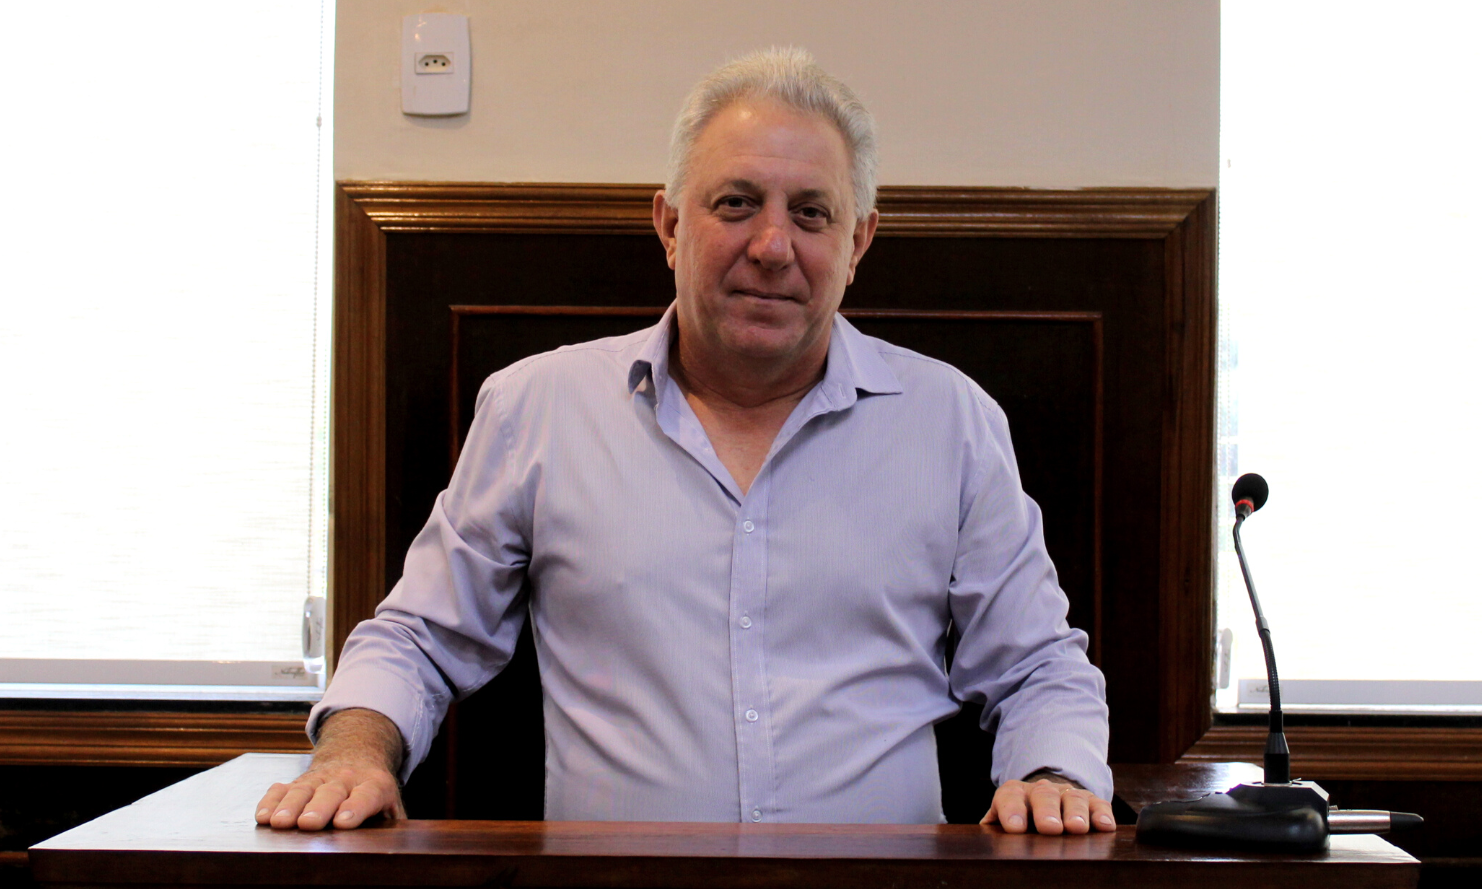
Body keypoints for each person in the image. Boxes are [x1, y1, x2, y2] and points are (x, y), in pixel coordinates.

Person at [256, 47, 1115, 835]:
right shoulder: (538, 409)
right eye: (736, 204)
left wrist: (1052, 776)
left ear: (858, 242)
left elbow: (1038, 665)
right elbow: (417, 640)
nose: (772, 246)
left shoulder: (950, 421)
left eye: (811, 214)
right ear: (669, 226)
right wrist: (352, 754)